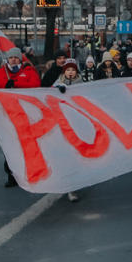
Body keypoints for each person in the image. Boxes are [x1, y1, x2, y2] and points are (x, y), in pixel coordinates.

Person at [0, 47, 41, 187]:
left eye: (16, 57)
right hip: (6, 116)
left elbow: (35, 84)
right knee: (10, 146)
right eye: (11, 57)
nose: (13, 60)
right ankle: (12, 175)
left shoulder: (28, 71)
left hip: (26, 116)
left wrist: (16, 84)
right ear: (7, 59)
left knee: (26, 145)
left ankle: (30, 173)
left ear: (20, 59)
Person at [51, 58, 84, 201]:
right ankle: (65, 184)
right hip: (61, 125)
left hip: (76, 125)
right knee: (63, 156)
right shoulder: (57, 84)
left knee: (75, 156)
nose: (70, 72)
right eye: (68, 70)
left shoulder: (82, 84)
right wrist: (58, 91)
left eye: (73, 70)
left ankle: (73, 187)